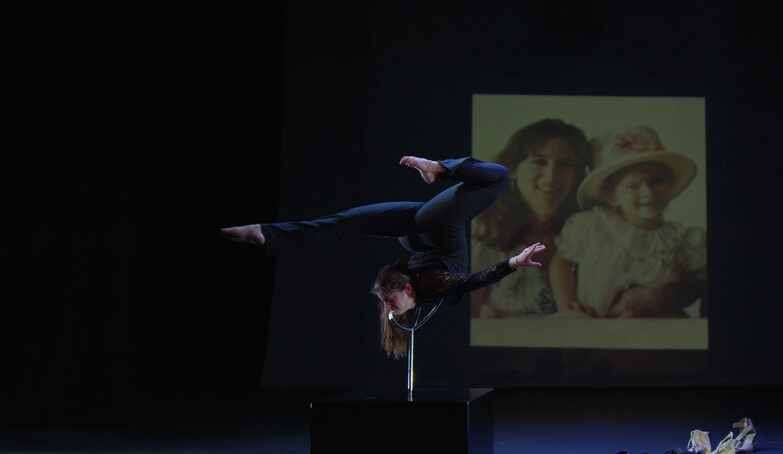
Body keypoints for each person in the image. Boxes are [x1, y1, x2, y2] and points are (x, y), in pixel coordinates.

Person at [221, 156, 546, 358]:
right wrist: (513, 263)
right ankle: (438, 168)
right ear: (408, 295)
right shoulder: (435, 287)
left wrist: (389, 306)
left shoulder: (410, 284)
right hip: (435, 228)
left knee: (346, 221)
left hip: (416, 230)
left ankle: (267, 233)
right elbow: (474, 281)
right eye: (392, 304)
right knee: (500, 175)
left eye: (386, 302)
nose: (388, 305)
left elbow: (397, 296)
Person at [549, 126, 706, 318]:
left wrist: (665, 296)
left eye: (656, 182)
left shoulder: (683, 239)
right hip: (596, 331)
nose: (648, 192)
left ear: (669, 185)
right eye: (633, 186)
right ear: (611, 196)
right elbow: (561, 264)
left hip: (659, 335)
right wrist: (569, 308)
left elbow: (697, 287)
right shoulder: (593, 226)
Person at [470, 119, 591, 318]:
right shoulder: (483, 232)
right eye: (539, 161)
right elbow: (467, 323)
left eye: (565, 164)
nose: (552, 176)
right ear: (513, 169)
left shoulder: (589, 231)